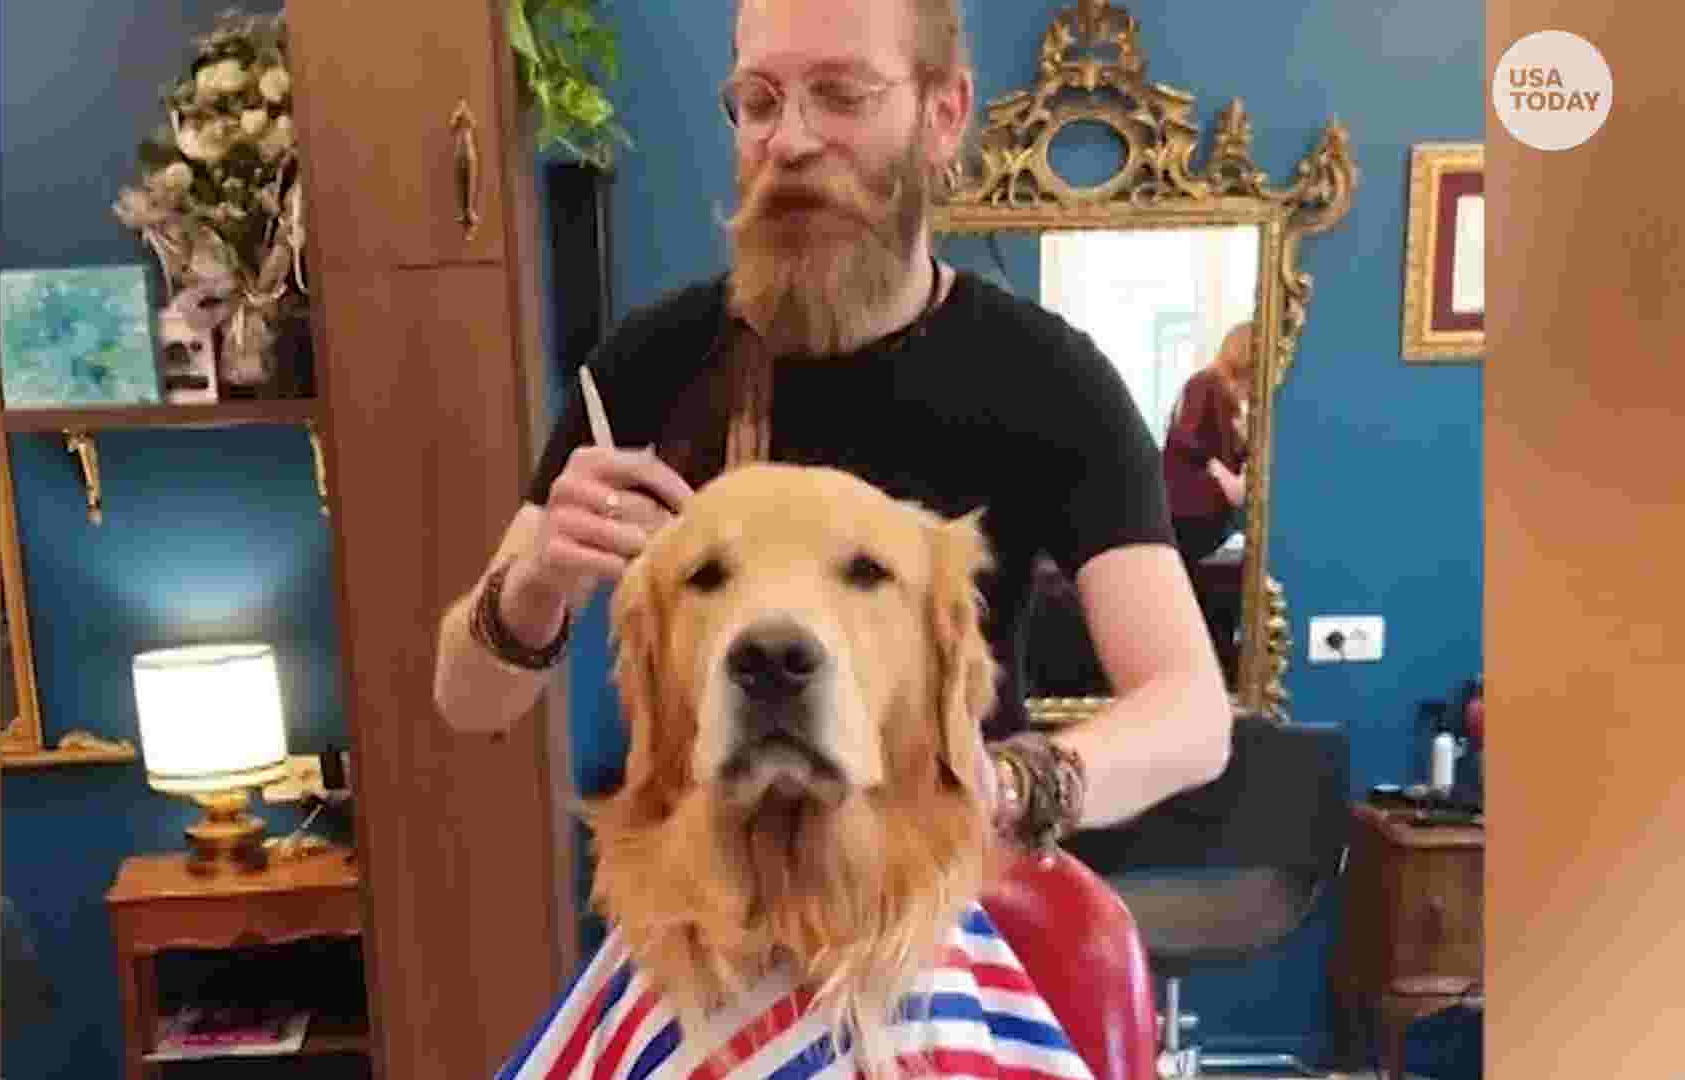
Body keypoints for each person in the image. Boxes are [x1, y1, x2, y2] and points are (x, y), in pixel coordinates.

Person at [436, 0, 1228, 863]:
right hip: (713, 921)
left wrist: (1009, 786)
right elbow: (466, 697)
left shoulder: (1049, 381)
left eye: (842, 95)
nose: (791, 141)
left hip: (937, 904)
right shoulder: (645, 371)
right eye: (762, 100)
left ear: (943, 113)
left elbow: (1190, 711)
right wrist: (536, 582)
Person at [1163, 321, 1253, 566]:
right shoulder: (1205, 383)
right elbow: (1184, 437)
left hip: (1204, 517)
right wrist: (1222, 473)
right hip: (1191, 517)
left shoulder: (1227, 397)